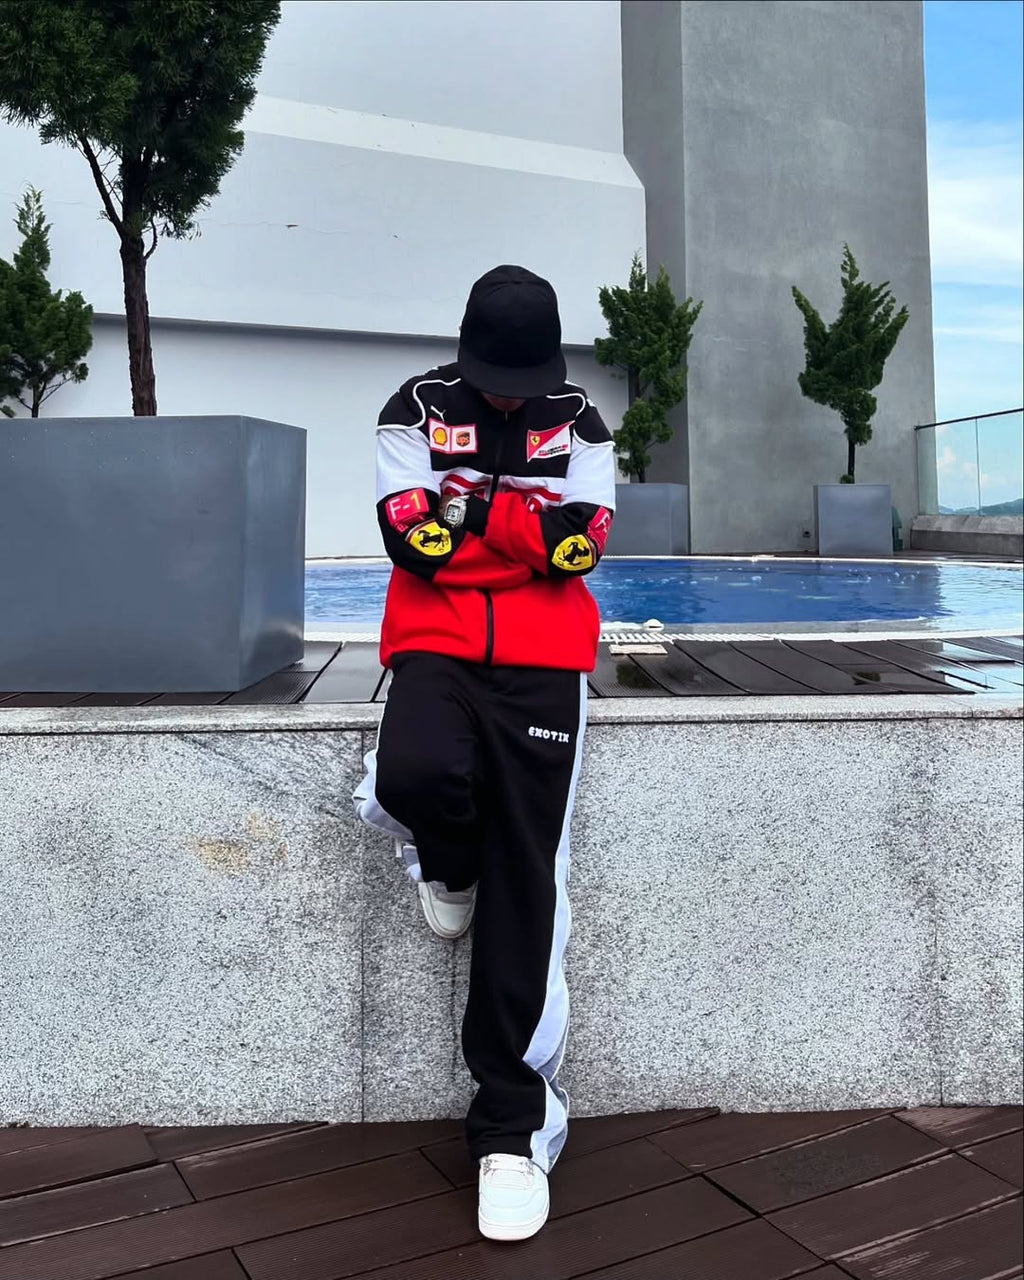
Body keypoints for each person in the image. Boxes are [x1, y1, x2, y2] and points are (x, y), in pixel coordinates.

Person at [353, 264, 615, 1242]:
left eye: (522, 378)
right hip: (433, 645)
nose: (507, 395)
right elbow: (409, 541)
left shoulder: (582, 423)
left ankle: (514, 1123)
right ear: (463, 351)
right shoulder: (412, 409)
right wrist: (522, 529)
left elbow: (585, 545)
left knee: (529, 877)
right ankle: (442, 853)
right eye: (492, 377)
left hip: (546, 665)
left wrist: (472, 512)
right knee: (411, 772)